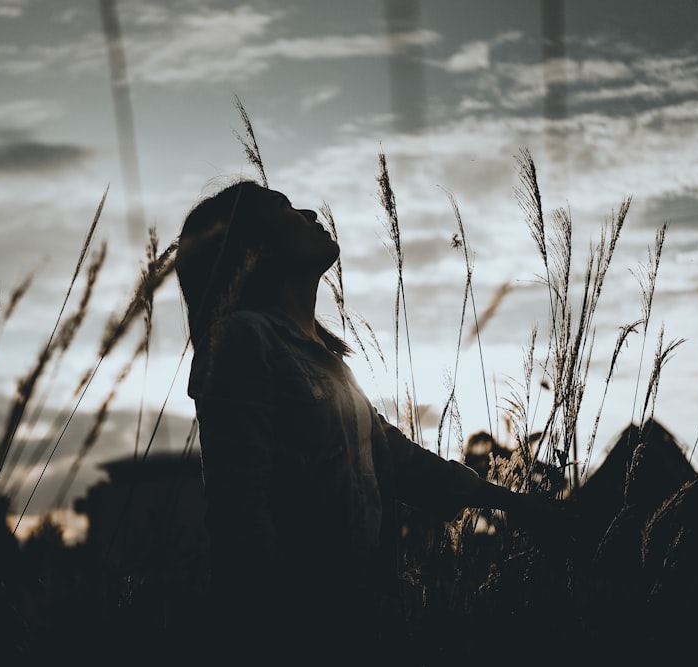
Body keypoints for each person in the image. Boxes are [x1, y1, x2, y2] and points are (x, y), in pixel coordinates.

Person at [175, 179, 565, 665]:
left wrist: (512, 503)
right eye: (283, 207)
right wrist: (281, 628)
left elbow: (395, 456)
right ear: (255, 247)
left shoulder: (327, 361)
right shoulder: (243, 340)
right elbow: (242, 512)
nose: (310, 212)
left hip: (358, 624)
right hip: (299, 631)